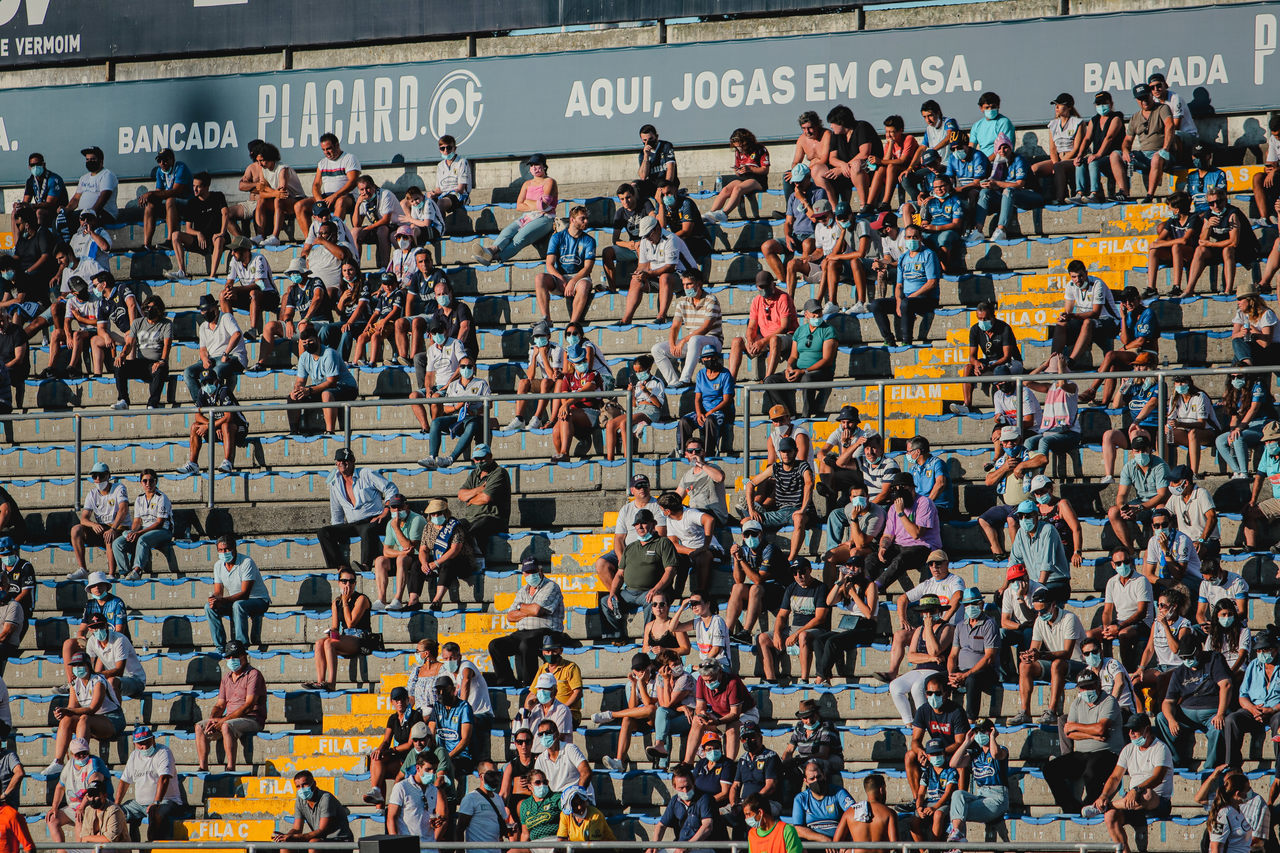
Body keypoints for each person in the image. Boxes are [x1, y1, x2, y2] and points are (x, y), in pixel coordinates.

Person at [1087, 714, 1175, 853]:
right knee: (1110, 816)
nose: (1131, 733)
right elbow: (1115, 777)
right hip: (1132, 801)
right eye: (1129, 730)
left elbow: (1158, 777)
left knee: (1146, 795)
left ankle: (1107, 806)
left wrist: (1137, 789)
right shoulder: (1128, 749)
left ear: (1147, 730)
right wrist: (1104, 794)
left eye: (1135, 730)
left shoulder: (1160, 748)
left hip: (1158, 801)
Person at [1045, 671, 1124, 814]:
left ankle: (1092, 806)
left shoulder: (1109, 701)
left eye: (1089, 687)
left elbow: (1100, 728)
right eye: (1082, 688)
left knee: (1091, 773)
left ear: (1098, 685)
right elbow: (1069, 732)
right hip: (1082, 753)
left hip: (1108, 752)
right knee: (1050, 769)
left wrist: (1076, 727)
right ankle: (1071, 807)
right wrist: (1092, 735)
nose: (1086, 691)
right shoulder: (1077, 702)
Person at [1010, 587, 1085, 725]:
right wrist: (1029, 655)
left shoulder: (1069, 618)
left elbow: (1067, 653)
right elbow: (1034, 648)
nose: (1040, 614)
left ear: (1053, 605)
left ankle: (1052, 711)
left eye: (1043, 610)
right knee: (1025, 666)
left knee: (1058, 664)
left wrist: (1041, 654)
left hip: (1077, 664)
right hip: (1055, 664)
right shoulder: (1040, 620)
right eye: (1037, 611)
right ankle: (1024, 712)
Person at [1155, 634, 1231, 768]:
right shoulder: (1180, 671)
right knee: (1162, 718)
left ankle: (1210, 768)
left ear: (1199, 650)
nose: (1188, 660)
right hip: (1187, 713)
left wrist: (1220, 713)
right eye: (1184, 658)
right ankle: (1175, 760)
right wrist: (1172, 720)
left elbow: (1226, 685)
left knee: (1218, 728)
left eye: (1190, 656)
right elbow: (1168, 702)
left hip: (1211, 712)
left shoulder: (1214, 659)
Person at [319, 447, 398, 573]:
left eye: (346, 460)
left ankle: (365, 565)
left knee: (368, 529)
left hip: (375, 518)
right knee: (324, 532)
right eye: (339, 460)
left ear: (353, 461)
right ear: (336, 462)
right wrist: (338, 531)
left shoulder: (366, 474)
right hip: (354, 524)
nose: (342, 463)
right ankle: (340, 566)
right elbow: (336, 511)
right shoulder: (334, 482)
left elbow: (391, 488)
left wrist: (386, 510)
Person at [45, 652, 125, 776]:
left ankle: (81, 759)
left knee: (84, 718)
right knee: (66, 720)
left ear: (88, 665)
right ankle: (58, 762)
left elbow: (92, 708)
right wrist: (62, 713)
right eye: (74, 665)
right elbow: (72, 708)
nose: (77, 668)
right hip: (93, 721)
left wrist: (68, 710)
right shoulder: (74, 684)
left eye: (80, 665)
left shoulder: (98, 681)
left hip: (112, 719)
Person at [194, 641, 265, 772]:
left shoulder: (254, 674)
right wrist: (212, 720)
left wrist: (223, 721)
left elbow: (249, 705)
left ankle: (230, 767)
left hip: (252, 719)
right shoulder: (226, 677)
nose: (232, 660)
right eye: (229, 657)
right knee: (199, 727)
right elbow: (220, 704)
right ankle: (203, 767)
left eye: (235, 656)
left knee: (226, 726)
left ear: (244, 656)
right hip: (231, 717)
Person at [742, 437, 815, 563]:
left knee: (798, 518)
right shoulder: (775, 468)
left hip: (801, 511)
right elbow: (750, 484)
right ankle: (754, 556)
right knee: (746, 521)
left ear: (795, 451)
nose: (786, 454)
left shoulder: (802, 465)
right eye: (783, 451)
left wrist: (802, 510)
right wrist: (751, 509)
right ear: (779, 453)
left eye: (789, 451)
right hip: (781, 512)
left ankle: (791, 560)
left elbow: (809, 483)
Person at [474, 153, 558, 264]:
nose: (534, 168)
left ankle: (496, 257)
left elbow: (543, 206)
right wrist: (536, 204)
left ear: (544, 166)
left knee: (520, 237)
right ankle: (490, 251)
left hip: (546, 218)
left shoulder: (550, 182)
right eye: (532, 165)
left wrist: (527, 202)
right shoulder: (527, 184)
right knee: (507, 231)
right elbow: (519, 206)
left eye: (537, 164)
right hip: (528, 216)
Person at [756, 557, 829, 684]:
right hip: (794, 628)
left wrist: (796, 634)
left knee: (803, 636)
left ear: (810, 570)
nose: (798, 575)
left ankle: (804, 679)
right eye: (795, 572)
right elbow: (782, 616)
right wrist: (777, 634)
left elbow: (820, 618)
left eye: (802, 572)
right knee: (762, 638)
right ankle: (771, 679)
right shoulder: (791, 588)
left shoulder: (820, 588)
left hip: (815, 629)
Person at [304, 566, 373, 691]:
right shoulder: (336, 602)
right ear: (339, 583)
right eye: (344, 581)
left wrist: (345, 602)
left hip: (361, 637)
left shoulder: (361, 599)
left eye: (351, 581)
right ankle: (321, 682)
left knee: (330, 643)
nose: (348, 584)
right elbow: (336, 626)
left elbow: (351, 623)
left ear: (355, 583)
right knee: (320, 642)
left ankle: (331, 683)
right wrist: (331, 632)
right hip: (346, 637)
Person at [811, 558, 878, 685]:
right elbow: (829, 602)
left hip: (866, 626)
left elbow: (869, 614)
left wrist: (853, 593)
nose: (851, 569)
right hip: (850, 624)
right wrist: (839, 582)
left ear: (862, 568)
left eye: (855, 566)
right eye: (849, 566)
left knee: (832, 642)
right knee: (818, 640)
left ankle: (820, 677)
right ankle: (826, 677)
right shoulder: (846, 586)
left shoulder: (870, 586)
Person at [621, 214, 697, 325]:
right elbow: (643, 265)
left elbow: (670, 267)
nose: (647, 238)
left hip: (686, 277)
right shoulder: (645, 241)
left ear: (657, 228)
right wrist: (639, 273)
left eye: (648, 235)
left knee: (665, 277)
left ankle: (661, 316)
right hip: (659, 276)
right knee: (635, 281)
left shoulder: (671, 239)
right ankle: (626, 320)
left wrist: (649, 273)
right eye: (644, 236)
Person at [872, 224, 940, 346]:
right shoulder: (903, 258)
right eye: (909, 237)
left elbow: (932, 283)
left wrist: (910, 297)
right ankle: (889, 339)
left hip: (925, 299)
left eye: (915, 237)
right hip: (906, 300)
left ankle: (906, 341)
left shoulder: (929, 255)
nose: (912, 240)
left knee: (906, 303)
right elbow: (898, 285)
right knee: (877, 304)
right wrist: (898, 301)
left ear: (920, 238)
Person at [950, 300, 1023, 415]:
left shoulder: (1004, 328)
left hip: (1011, 362)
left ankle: (1003, 408)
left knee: (999, 371)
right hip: (990, 362)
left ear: (993, 316)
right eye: (980, 319)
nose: (982, 322)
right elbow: (972, 357)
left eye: (985, 319)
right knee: (967, 368)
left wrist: (989, 366)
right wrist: (976, 364)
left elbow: (1007, 356)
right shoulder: (975, 329)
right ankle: (967, 404)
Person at [1221, 629, 1280, 770]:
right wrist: (1253, 709)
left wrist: (1272, 709)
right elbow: (1243, 695)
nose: (1261, 654)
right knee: (1231, 719)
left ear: (1275, 649)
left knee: (1279, 721)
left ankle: (1279, 768)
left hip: (1275, 710)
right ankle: (1233, 767)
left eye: (1265, 650)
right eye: (1259, 651)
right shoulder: (1253, 665)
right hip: (1253, 709)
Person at [116, 726, 185, 842]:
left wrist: (156, 802)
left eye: (147, 742)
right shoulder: (134, 756)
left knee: (154, 812)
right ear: (134, 744)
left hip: (166, 801)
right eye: (140, 744)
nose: (144, 747)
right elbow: (124, 781)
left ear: (153, 739)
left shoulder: (163, 752)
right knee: (114, 813)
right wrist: (116, 803)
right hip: (139, 804)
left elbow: (164, 778)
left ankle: (151, 847)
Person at [205, 534, 271, 654]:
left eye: (227, 549)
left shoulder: (246, 562)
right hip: (235, 601)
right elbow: (218, 591)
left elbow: (245, 594)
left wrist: (223, 600)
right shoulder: (218, 565)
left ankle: (241, 646)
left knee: (238, 605)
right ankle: (220, 646)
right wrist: (214, 599)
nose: (224, 553)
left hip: (258, 600)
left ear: (234, 548)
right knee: (209, 607)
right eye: (220, 550)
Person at [176, 367, 248, 475]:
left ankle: (227, 462)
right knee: (195, 426)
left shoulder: (224, 391)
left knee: (225, 426)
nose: (207, 385)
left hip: (238, 427)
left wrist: (210, 426)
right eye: (204, 383)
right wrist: (212, 426)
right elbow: (198, 416)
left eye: (210, 382)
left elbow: (229, 417)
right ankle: (193, 464)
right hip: (218, 427)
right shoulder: (202, 392)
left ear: (216, 381)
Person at [1107, 433, 1171, 551]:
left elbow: (1162, 495)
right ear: (1132, 452)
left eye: (1144, 450)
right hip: (1140, 503)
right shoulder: (1128, 467)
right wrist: (1123, 508)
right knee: (1113, 512)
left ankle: (1160, 548)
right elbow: (1121, 495)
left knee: (1160, 510)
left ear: (1150, 450)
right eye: (1137, 450)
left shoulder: (1160, 466)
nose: (1141, 453)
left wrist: (1141, 507)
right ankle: (1129, 549)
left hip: (1157, 503)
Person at [535, 204, 596, 325]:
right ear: (572, 220)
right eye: (582, 218)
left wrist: (573, 281)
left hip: (579, 277)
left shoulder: (589, 240)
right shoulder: (557, 237)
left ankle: (573, 324)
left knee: (583, 285)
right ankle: (546, 319)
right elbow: (549, 264)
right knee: (539, 278)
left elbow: (588, 267)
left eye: (586, 218)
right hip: (560, 276)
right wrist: (562, 279)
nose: (586, 221)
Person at [363, 686, 424, 806]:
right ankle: (377, 796)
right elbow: (386, 740)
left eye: (402, 699)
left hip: (412, 759)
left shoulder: (415, 716)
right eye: (396, 700)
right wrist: (379, 750)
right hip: (399, 758)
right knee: (376, 758)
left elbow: (410, 745)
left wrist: (390, 751)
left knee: (380, 767)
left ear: (407, 700)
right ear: (392, 702)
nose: (399, 702)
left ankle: (379, 798)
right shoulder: (392, 718)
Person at [975, 133, 1042, 242]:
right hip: (1009, 198)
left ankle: (1001, 230)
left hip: (1031, 195)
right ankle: (978, 231)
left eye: (1005, 147)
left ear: (1010, 147)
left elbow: (1020, 184)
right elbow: (994, 182)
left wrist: (996, 183)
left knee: (1009, 190)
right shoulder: (997, 163)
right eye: (999, 148)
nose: (1002, 151)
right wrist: (988, 184)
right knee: (984, 192)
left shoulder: (1019, 160)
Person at [69, 462, 130, 580]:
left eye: (101, 476)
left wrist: (113, 529)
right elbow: (84, 518)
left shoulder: (119, 488)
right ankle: (83, 569)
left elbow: (123, 510)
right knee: (76, 530)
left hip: (119, 527)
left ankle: (111, 573)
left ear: (108, 476)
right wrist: (93, 524)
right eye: (94, 476)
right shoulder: (92, 494)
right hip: (102, 527)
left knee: (109, 536)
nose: (97, 479)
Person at [184, 293, 246, 404]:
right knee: (188, 372)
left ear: (215, 307)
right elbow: (203, 349)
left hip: (233, 356)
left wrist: (226, 354)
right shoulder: (203, 326)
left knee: (217, 371)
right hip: (212, 358)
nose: (206, 313)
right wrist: (204, 359)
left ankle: (221, 399)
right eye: (203, 310)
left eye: (208, 309)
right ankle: (201, 402)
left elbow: (236, 334)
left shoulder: (226, 317)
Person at [948, 587, 1001, 719]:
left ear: (981, 604)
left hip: (985, 671)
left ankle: (971, 719)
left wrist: (965, 675)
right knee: (934, 680)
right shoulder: (960, 626)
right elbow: (953, 655)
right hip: (962, 670)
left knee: (972, 680)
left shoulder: (989, 624)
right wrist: (951, 675)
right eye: (967, 605)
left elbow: (989, 657)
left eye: (974, 604)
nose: (971, 607)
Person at [110, 469, 172, 580]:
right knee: (117, 543)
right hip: (144, 529)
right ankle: (125, 572)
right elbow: (137, 521)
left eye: (151, 481)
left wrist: (139, 533)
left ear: (156, 481)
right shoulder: (139, 498)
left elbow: (159, 522)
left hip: (163, 531)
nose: (148, 484)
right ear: (141, 482)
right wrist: (133, 532)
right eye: (145, 481)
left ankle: (137, 571)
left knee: (142, 539)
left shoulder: (162, 497)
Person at [239, 142, 304, 246]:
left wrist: (268, 190)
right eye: (258, 161)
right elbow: (262, 193)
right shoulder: (263, 170)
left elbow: (283, 193)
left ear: (270, 158)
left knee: (278, 200)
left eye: (262, 161)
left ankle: (275, 236)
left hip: (296, 200)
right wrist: (273, 192)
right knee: (261, 200)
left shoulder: (282, 169)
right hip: (280, 199)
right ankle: (260, 235)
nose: (259, 164)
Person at [1120, 84, 1175, 203]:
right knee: (1115, 156)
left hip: (1161, 153)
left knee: (1156, 157)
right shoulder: (1135, 117)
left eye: (1146, 97)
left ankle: (1149, 195)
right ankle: (1123, 192)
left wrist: (1165, 149)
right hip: (1144, 155)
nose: (1144, 101)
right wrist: (1125, 151)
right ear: (1136, 99)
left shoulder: (1162, 108)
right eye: (1140, 99)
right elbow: (1128, 140)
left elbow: (1170, 126)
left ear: (1151, 95)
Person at [417, 499, 476, 609]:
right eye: (433, 513)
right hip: (438, 562)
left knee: (447, 562)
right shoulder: (428, 527)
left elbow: (454, 550)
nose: (436, 515)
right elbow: (423, 549)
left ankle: (437, 600)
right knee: (416, 565)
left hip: (460, 561)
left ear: (445, 512)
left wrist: (436, 563)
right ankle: (413, 600)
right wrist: (424, 563)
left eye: (439, 513)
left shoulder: (455, 526)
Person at [168, 171, 229, 279]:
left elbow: (225, 213)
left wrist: (222, 233)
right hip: (200, 241)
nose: (194, 189)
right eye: (193, 186)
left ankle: (212, 275)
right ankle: (182, 272)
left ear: (206, 187)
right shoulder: (192, 203)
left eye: (198, 187)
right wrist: (198, 233)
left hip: (215, 238)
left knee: (219, 239)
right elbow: (188, 229)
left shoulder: (218, 196)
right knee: (175, 235)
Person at [294, 133, 360, 232]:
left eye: (329, 149)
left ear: (337, 145)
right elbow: (316, 185)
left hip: (347, 197)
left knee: (340, 201)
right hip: (327, 197)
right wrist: (319, 199)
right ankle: (311, 240)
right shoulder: (322, 163)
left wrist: (335, 196)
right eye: (323, 150)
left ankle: (333, 235)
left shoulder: (349, 158)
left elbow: (353, 182)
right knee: (299, 205)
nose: (326, 152)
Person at [273, 769, 355, 846]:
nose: (301, 789)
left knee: (314, 843)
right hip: (321, 840)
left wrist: (294, 837)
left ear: (314, 784)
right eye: (298, 786)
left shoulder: (326, 798)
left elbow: (322, 831)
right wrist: (286, 836)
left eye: (304, 785)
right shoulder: (300, 799)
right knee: (286, 845)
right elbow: (297, 828)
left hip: (341, 841)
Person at [704, 127, 770, 222]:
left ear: (747, 142)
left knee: (738, 189)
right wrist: (738, 171)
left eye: (741, 146)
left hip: (757, 180)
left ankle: (724, 213)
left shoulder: (760, 149)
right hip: (744, 178)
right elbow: (737, 168)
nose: (740, 149)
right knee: (726, 189)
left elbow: (765, 170)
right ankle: (710, 214)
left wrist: (750, 169)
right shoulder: (738, 152)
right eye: (737, 147)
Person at [679, 348, 735, 456]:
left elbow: (727, 400)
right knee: (684, 421)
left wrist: (710, 412)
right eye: (707, 357)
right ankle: (684, 452)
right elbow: (697, 398)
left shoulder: (725, 374)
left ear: (716, 357)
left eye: (712, 357)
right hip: (703, 410)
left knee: (710, 420)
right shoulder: (701, 374)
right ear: (703, 360)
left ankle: (708, 453)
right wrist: (699, 413)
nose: (710, 359)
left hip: (719, 411)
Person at [653, 764, 724, 850]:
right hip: (681, 846)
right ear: (674, 787)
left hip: (703, 847)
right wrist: (654, 846)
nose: (685, 791)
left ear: (693, 783)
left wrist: (688, 847)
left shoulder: (705, 799)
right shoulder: (675, 801)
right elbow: (661, 826)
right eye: (681, 788)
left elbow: (707, 826)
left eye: (688, 787)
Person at [456, 442, 512, 552]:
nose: (479, 461)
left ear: (490, 456)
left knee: (478, 527)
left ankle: (479, 558)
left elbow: (486, 498)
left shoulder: (499, 473)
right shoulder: (474, 474)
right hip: (471, 518)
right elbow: (461, 495)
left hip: (493, 518)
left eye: (482, 458)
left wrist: (470, 500)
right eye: (476, 459)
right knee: (455, 528)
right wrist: (478, 490)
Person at [1144, 190, 1201, 297]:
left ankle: (1176, 286)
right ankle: (1151, 288)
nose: (1168, 210)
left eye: (1170, 208)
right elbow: (1159, 240)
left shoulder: (1193, 218)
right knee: (1154, 250)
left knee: (1176, 246)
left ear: (1177, 210)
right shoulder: (1172, 220)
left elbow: (1184, 240)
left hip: (1190, 253)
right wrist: (1158, 245)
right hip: (1175, 253)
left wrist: (1161, 244)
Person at [386, 751, 448, 843]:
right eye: (428, 769)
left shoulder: (434, 790)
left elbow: (440, 816)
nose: (432, 773)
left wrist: (438, 821)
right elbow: (391, 818)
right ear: (418, 768)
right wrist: (395, 844)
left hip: (429, 846)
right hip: (408, 845)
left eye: (434, 770)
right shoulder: (402, 787)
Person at [83, 611, 144, 700]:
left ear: (106, 625)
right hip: (116, 679)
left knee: (111, 681)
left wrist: (95, 675)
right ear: (90, 629)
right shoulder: (92, 642)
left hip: (135, 680)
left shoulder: (119, 640)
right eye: (94, 627)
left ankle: (117, 713)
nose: (98, 630)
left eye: (100, 626)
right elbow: (88, 665)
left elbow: (119, 671)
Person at [533, 719, 591, 793]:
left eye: (548, 733)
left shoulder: (570, 749)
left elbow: (586, 772)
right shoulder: (540, 759)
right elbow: (538, 784)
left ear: (557, 734)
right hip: (555, 799)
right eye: (541, 734)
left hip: (575, 794)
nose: (544, 736)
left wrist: (579, 794)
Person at [66, 145, 118, 224]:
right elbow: (76, 199)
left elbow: (103, 197)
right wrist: (66, 209)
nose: (89, 161)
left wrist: (91, 212)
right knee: (61, 220)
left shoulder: (107, 175)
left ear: (101, 161)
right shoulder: (84, 178)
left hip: (103, 213)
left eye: (93, 159)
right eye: (87, 159)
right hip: (84, 213)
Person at [76, 773, 127, 844]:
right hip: (92, 847)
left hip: (114, 849)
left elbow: (109, 839)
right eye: (90, 796)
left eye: (96, 796)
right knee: (63, 850)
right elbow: (83, 837)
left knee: (96, 850)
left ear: (104, 795)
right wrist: (97, 837)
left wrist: (89, 838)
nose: (92, 799)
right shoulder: (88, 810)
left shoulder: (114, 810)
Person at [430, 135, 471, 212]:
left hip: (459, 196)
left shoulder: (462, 162)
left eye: (448, 148)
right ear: (440, 150)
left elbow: (460, 189)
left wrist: (444, 193)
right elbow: (438, 189)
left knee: (441, 203)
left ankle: (440, 224)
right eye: (442, 148)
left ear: (454, 149)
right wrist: (433, 193)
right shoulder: (440, 165)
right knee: (425, 201)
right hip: (443, 195)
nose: (445, 151)